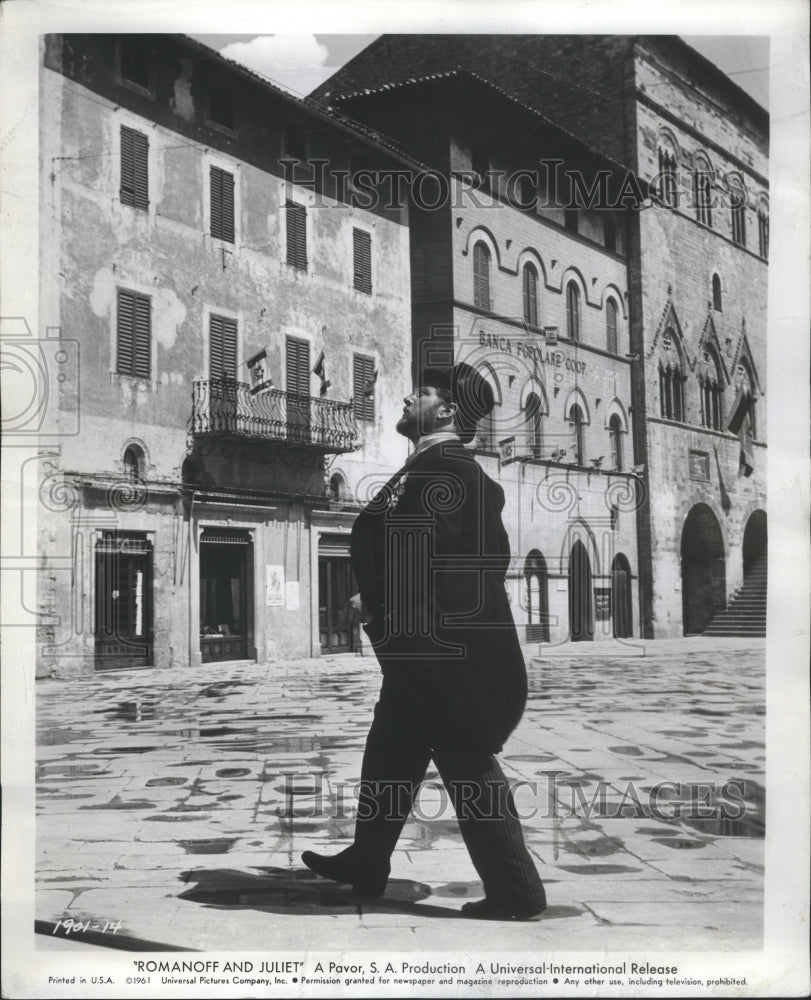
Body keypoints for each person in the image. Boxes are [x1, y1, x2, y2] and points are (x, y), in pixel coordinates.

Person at [302, 363, 546, 920]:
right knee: (391, 749)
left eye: (423, 391)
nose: (409, 396)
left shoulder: (449, 471)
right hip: (430, 649)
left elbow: (440, 555)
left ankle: (517, 891)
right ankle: (367, 861)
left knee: (466, 761)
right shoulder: (439, 468)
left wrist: (379, 598)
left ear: (447, 411)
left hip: (441, 655)